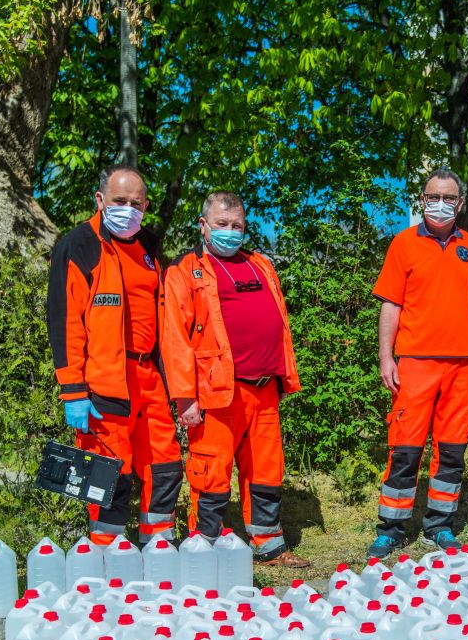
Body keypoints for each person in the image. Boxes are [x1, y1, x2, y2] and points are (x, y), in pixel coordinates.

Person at [161, 191, 309, 568]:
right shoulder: (184, 270)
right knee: (210, 473)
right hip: (217, 392)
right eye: (221, 225)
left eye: (236, 225)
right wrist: (184, 397)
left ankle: (269, 546)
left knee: (266, 470)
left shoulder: (260, 264)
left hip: (265, 389)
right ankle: (203, 549)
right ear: (204, 225)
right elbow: (175, 339)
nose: (229, 231)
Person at [46, 165, 183, 545]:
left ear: (146, 205)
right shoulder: (78, 245)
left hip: (149, 375)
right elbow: (64, 321)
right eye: (119, 200)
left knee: (165, 463)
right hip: (104, 380)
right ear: (100, 199)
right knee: (107, 472)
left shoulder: (151, 247)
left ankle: (159, 545)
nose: (128, 208)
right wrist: (72, 391)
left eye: (135, 202)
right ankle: (106, 552)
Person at [369, 168, 468, 556]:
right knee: (405, 448)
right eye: (432, 196)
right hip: (415, 363)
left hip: (463, 366)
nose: (440, 204)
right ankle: (391, 526)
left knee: (452, 448)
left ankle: (439, 525)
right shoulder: (403, 244)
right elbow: (391, 304)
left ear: (460, 203)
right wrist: (385, 355)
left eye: (448, 197)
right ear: (422, 200)